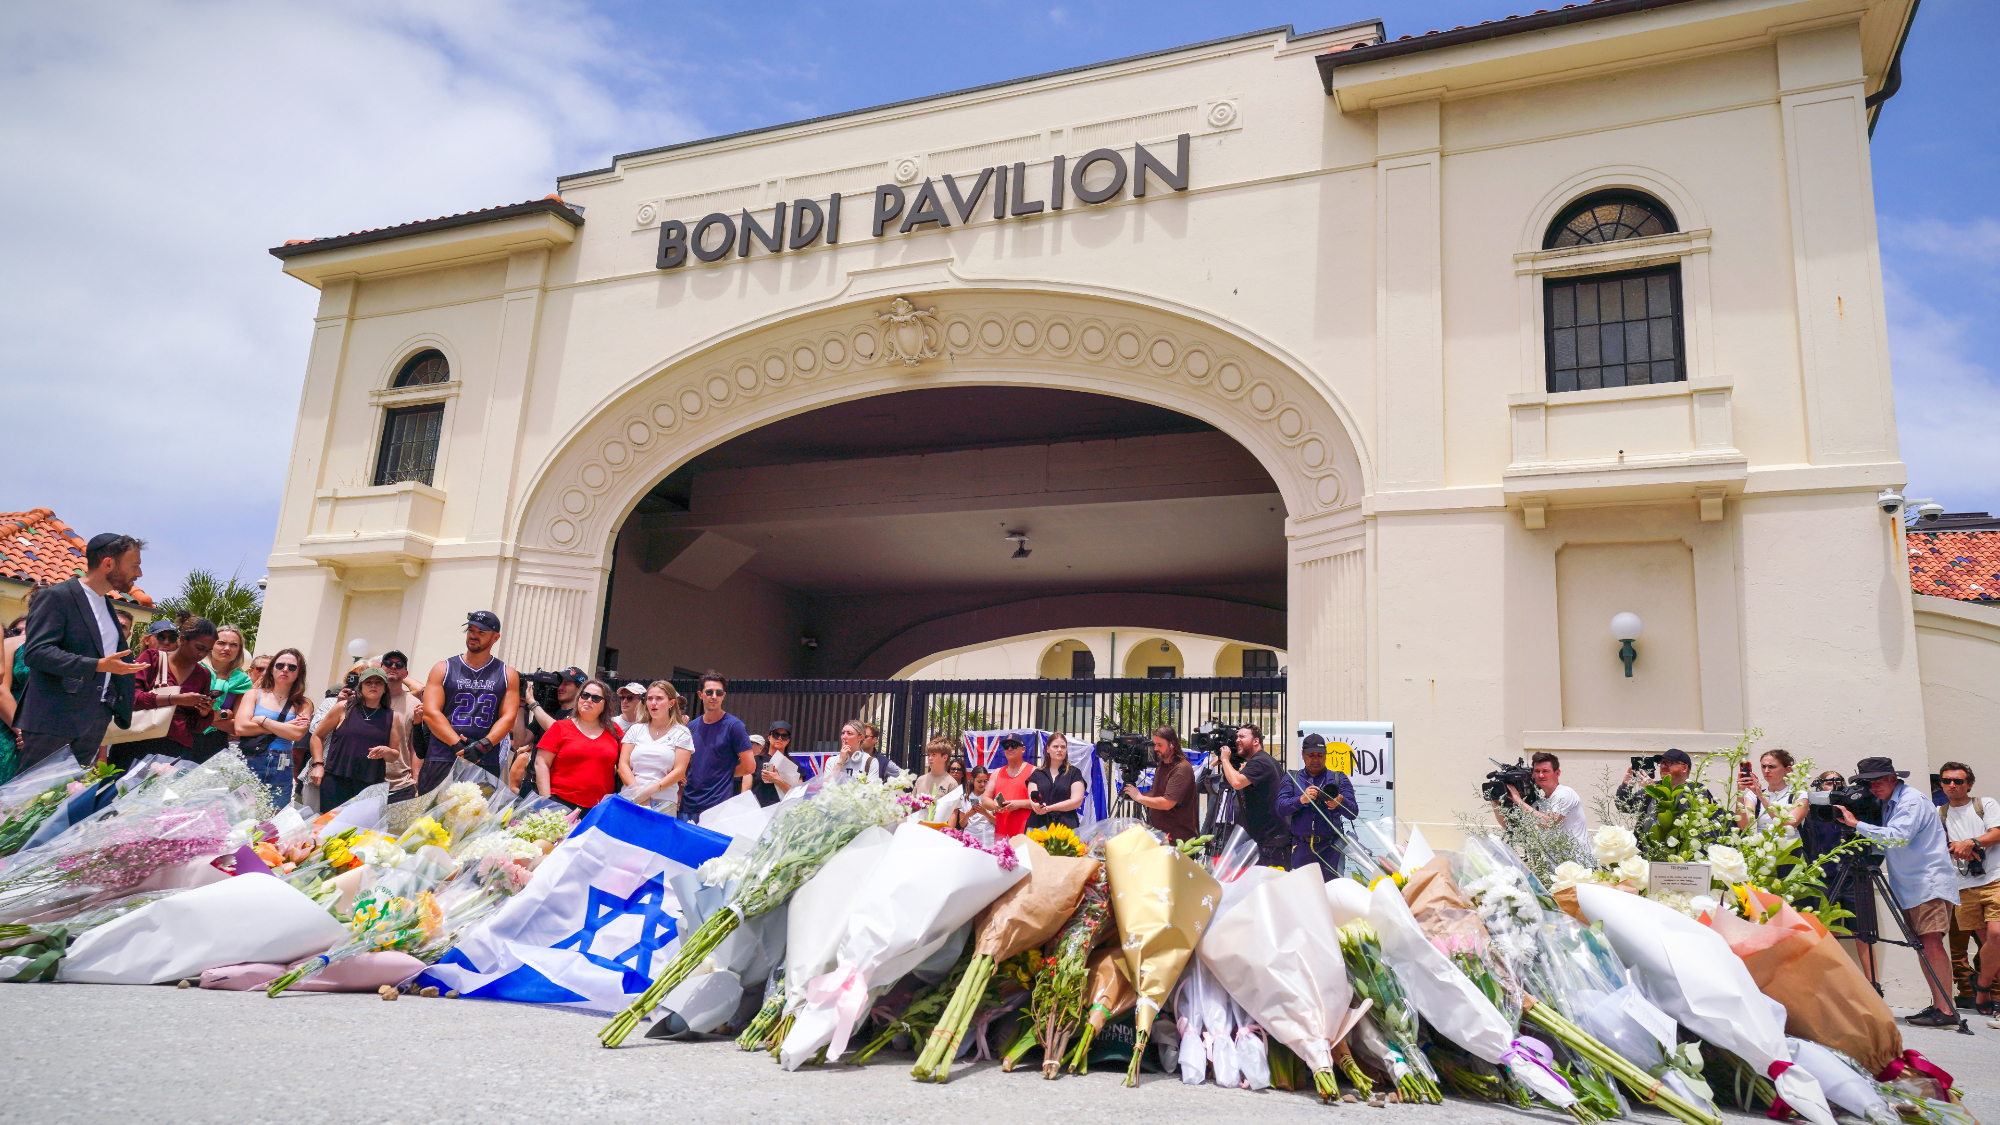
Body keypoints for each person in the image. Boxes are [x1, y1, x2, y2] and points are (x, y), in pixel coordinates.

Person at [1837, 755, 1963, 1027]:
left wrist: (1855, 824)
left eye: (1875, 782)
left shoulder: (1910, 801)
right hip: (1912, 885)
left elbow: (1897, 836)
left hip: (1926, 883)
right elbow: (1888, 843)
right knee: (1923, 946)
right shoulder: (1890, 803)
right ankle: (1941, 1005)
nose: (1872, 788)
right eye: (1867, 783)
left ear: (1893, 778)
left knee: (1930, 943)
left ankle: (1946, 1009)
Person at [18, 533, 147, 770]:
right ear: (108, 563)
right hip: (54, 720)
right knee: (26, 801)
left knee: (64, 800)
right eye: (134, 565)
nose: (139, 574)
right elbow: (36, 652)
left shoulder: (106, 604)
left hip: (92, 721)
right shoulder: (56, 597)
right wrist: (96, 665)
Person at [419, 610, 521, 793]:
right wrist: (458, 746)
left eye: (481, 632)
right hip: (443, 756)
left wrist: (483, 746)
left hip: (484, 758)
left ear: (495, 637)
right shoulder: (443, 668)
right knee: (431, 818)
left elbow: (508, 717)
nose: (474, 636)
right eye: (471, 630)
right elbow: (431, 713)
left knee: (478, 818)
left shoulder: (507, 674)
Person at [1939, 761, 2000, 1015]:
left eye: (1958, 781)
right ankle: (1992, 996)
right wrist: (1958, 848)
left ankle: (1982, 985)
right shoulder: (1939, 813)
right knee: (1989, 943)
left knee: (1997, 936)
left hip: (1995, 879)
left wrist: (1972, 842)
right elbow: (1938, 845)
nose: (1952, 785)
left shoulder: (1985, 804)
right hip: (1963, 885)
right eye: (1946, 781)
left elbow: (1996, 833)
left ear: (1969, 784)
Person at [121, 616, 219, 770]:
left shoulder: (203, 674)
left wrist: (204, 713)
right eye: (199, 648)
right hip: (136, 740)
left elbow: (195, 727)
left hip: (176, 749)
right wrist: (176, 699)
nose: (202, 655)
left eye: (208, 651)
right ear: (183, 640)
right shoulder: (152, 658)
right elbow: (131, 699)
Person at [312, 665, 410, 810]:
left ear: (384, 689)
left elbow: (394, 755)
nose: (373, 686)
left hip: (370, 784)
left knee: (362, 831)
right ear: (361, 687)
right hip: (336, 779)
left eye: (378, 683)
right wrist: (318, 765)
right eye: (368, 682)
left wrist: (385, 751)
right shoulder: (344, 707)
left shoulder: (391, 716)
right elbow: (317, 736)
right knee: (329, 829)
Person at [234, 647, 311, 804]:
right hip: (251, 758)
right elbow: (240, 727)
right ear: (272, 669)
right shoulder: (254, 694)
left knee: (274, 818)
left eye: (292, 667)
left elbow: (296, 734)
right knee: (241, 811)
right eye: (280, 665)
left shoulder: (303, 703)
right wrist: (285, 726)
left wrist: (263, 720)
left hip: (282, 764)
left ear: (299, 673)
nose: (285, 670)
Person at [1277, 735, 1357, 878]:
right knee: (1303, 894)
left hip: (1331, 849)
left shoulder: (1338, 778)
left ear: (1325, 755)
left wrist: (1340, 801)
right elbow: (1280, 808)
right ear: (1303, 755)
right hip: (1301, 849)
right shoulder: (1292, 778)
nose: (1315, 759)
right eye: (1311, 755)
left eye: (1320, 755)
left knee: (1331, 895)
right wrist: (1301, 800)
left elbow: (1353, 812)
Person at [535, 679, 621, 811]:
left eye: (596, 698)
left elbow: (628, 762)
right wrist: (547, 800)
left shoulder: (615, 731)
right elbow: (541, 763)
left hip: (600, 808)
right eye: (585, 695)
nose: (589, 700)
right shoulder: (559, 727)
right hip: (560, 805)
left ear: (606, 704)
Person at [681, 671, 755, 822]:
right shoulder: (691, 727)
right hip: (687, 806)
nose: (713, 696)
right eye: (709, 692)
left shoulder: (735, 726)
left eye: (718, 692)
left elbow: (749, 767)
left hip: (717, 807)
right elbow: (685, 765)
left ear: (723, 695)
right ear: (700, 695)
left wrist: (723, 774)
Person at [1493, 751, 1590, 857]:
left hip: (1579, 865)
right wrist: (1495, 803)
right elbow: (1509, 826)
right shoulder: (1539, 803)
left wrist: (1519, 802)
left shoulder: (1564, 793)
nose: (1541, 775)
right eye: (1537, 771)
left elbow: (1549, 822)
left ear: (1557, 773)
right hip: (1557, 867)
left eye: (1546, 771)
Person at [618, 680, 692, 814]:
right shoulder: (635, 729)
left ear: (671, 703)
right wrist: (638, 793)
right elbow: (623, 765)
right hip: (630, 799)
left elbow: (680, 771)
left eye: (659, 699)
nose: (653, 703)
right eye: (650, 698)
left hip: (663, 803)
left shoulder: (682, 733)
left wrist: (647, 792)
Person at [1216, 724, 1285, 865]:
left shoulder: (1260, 762)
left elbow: (1236, 782)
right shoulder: (1265, 760)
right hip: (1270, 840)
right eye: (1236, 737)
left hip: (1270, 843)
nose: (1237, 740)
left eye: (1242, 736)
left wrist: (1224, 760)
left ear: (1256, 741)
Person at [1121, 726, 1198, 844]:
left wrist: (1140, 798)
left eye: (1160, 745)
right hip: (1160, 837)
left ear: (1172, 744)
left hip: (1178, 841)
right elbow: (1157, 792)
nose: (1155, 748)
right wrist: (1136, 795)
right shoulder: (1163, 763)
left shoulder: (1181, 769)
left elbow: (1168, 803)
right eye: (1154, 744)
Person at [1615, 748, 1715, 838]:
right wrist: (1626, 786)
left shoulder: (1697, 789)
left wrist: (1655, 791)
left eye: (1669, 763)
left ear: (1684, 768)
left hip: (1681, 848)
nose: (1663, 766)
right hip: (1647, 849)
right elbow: (1624, 806)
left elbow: (1686, 814)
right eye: (1661, 763)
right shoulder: (1654, 786)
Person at [191, 625, 252, 761]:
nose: (227, 648)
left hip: (216, 745)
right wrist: (225, 714)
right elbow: (182, 714)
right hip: (183, 738)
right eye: (221, 643)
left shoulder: (243, 681)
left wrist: (205, 718)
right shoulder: (193, 670)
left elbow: (238, 726)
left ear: (239, 650)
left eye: (233, 645)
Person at [1737, 748, 1804, 835]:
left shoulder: (1799, 795)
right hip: (1762, 846)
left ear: (1787, 770)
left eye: (1772, 767)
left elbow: (1786, 826)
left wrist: (1761, 797)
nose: (1766, 771)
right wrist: (1740, 793)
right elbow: (1744, 826)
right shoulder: (1753, 795)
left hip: (1790, 846)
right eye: (1763, 766)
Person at [1028, 733, 1087, 831]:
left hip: (1066, 825)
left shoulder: (1074, 773)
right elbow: (1032, 798)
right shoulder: (1037, 774)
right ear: (1047, 749)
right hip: (1039, 825)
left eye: (1063, 747)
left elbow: (1077, 801)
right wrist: (1037, 806)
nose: (1059, 750)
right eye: (1055, 746)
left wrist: (1050, 808)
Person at [982, 735, 1035, 839]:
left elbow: (1041, 802)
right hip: (1001, 836)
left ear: (1023, 749)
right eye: (1006, 746)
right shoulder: (997, 773)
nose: (1009, 748)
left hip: (1026, 835)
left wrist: (1019, 804)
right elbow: (985, 799)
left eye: (1014, 745)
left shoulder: (1033, 772)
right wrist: (994, 805)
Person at [748, 720, 801, 806]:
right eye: (776, 735)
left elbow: (797, 794)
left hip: (782, 814)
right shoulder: (755, 760)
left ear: (788, 741)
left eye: (784, 736)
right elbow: (745, 791)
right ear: (769, 737)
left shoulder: (794, 764)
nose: (779, 738)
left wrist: (777, 780)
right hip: (758, 812)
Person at [826, 719, 890, 785]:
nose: (844, 737)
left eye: (849, 733)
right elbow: (826, 785)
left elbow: (870, 790)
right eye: (843, 733)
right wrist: (840, 762)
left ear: (860, 737)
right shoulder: (831, 761)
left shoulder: (870, 761)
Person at [912, 736, 961, 818]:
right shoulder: (920, 780)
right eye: (929, 755)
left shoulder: (951, 783)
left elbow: (953, 813)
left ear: (945, 757)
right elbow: (912, 807)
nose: (930, 758)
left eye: (934, 755)